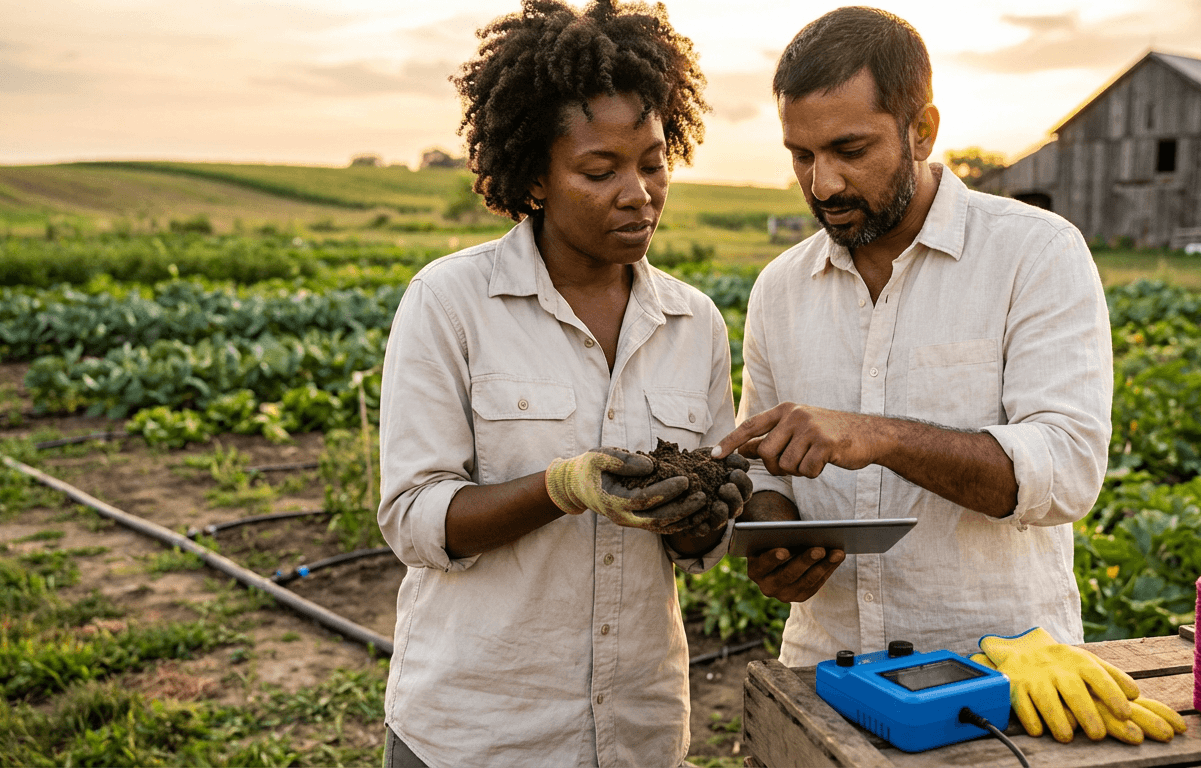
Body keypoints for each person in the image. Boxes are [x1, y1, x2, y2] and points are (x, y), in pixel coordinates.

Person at [376, 2, 750, 765]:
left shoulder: (694, 322)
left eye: (651, 161)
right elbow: (415, 518)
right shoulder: (451, 303)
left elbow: (694, 548)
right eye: (599, 170)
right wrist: (564, 486)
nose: (639, 192)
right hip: (480, 732)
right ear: (535, 180)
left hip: (636, 732)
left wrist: (705, 509)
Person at [713, 7, 1114, 668]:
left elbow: (1067, 472)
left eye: (850, 150)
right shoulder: (778, 289)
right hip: (825, 667)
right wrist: (776, 534)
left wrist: (879, 436)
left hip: (1002, 672)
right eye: (802, 155)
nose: (823, 184)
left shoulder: (1035, 254)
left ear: (922, 130)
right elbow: (764, 463)